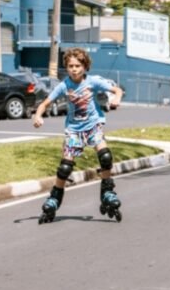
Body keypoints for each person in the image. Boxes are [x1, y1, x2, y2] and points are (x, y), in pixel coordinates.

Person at [33, 47, 124, 224]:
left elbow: (117, 90)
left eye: (77, 65)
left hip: (93, 126)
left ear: (85, 66)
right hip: (74, 130)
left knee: (105, 157)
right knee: (65, 167)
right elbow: (44, 103)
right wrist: (37, 115)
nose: (74, 69)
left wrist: (117, 99)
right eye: (70, 66)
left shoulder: (93, 81)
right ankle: (54, 198)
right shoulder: (64, 85)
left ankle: (107, 192)